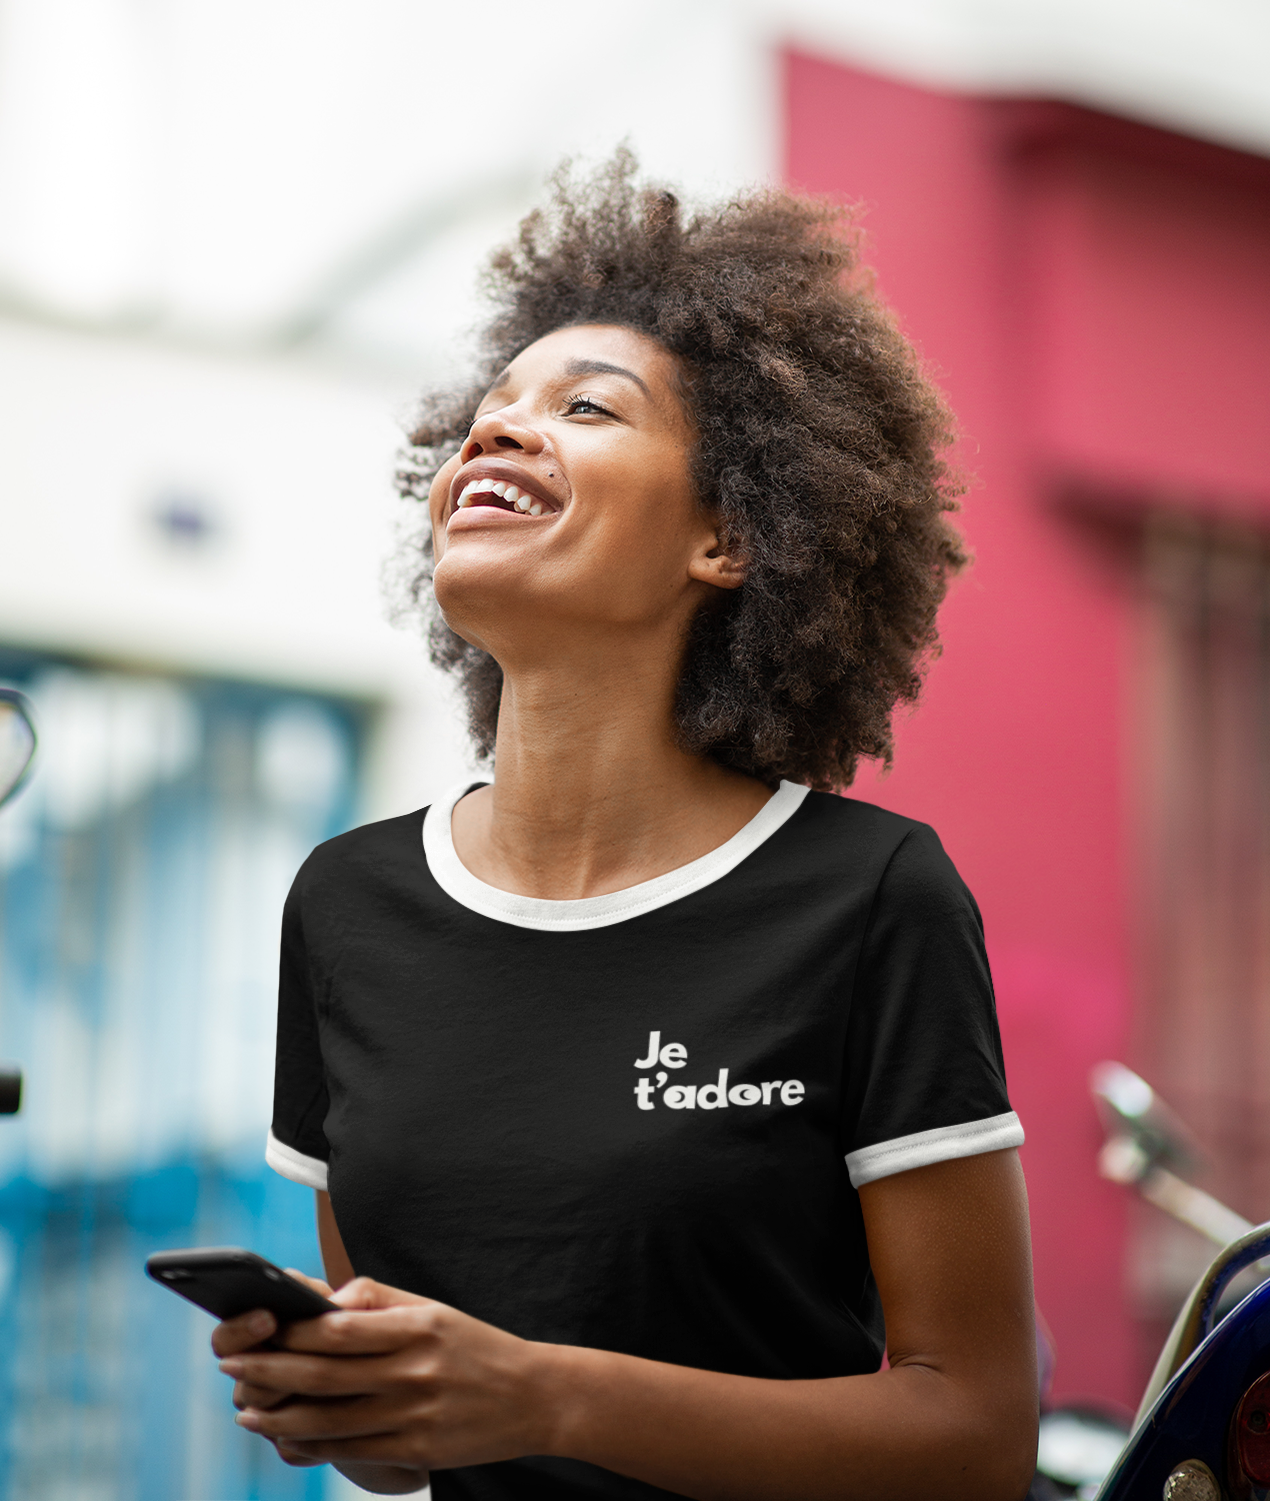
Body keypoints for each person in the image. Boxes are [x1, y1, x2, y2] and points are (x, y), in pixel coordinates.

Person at [213, 155, 1039, 1500]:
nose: (498, 433)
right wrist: (345, 1400)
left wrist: (546, 1394)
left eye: (585, 406)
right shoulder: (348, 903)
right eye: (488, 413)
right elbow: (401, 1452)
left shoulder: (871, 895)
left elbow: (979, 1437)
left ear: (728, 535)